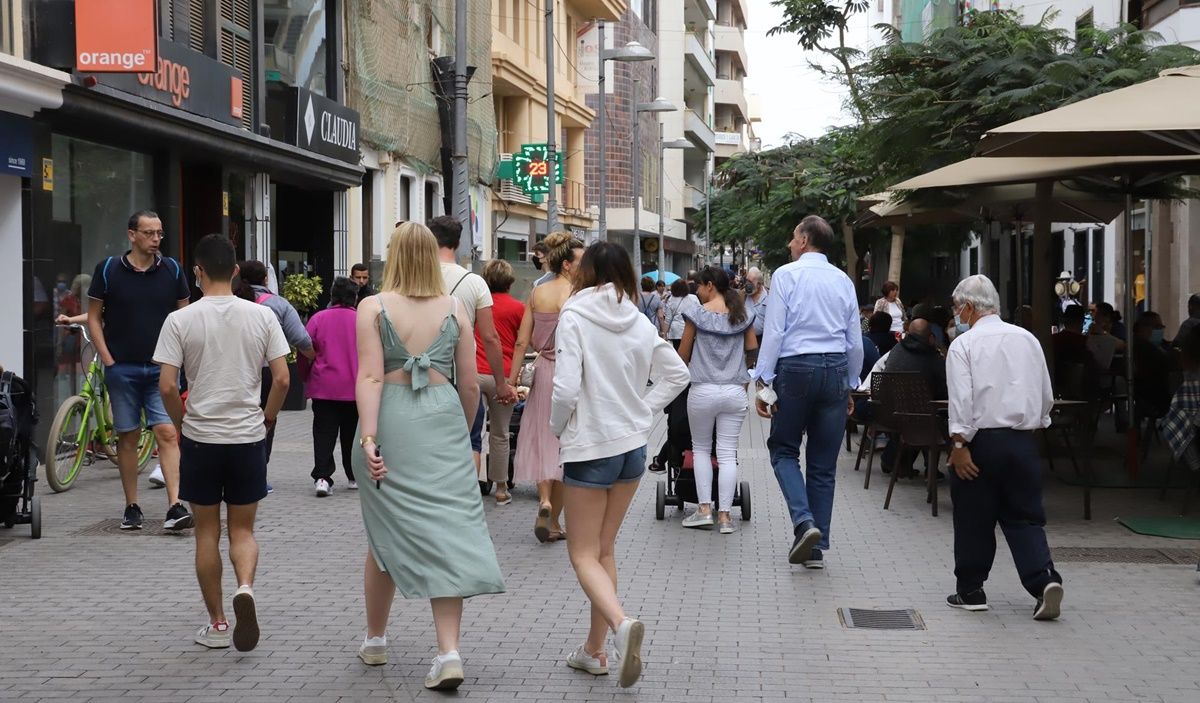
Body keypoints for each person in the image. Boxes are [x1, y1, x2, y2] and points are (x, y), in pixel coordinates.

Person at [352, 222, 505, 690]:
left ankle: (376, 639)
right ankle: (448, 650)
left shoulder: (372, 307)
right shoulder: (456, 308)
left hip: (392, 420)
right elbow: (468, 383)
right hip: (442, 420)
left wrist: (370, 439)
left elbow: (372, 377)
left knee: (383, 533)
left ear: (394, 256)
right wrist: (461, 433)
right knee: (447, 529)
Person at [551, 241, 689, 688]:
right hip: (631, 448)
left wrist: (558, 428)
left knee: (581, 553)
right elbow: (678, 374)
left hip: (590, 446)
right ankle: (594, 652)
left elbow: (566, 388)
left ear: (584, 272)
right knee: (604, 550)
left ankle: (620, 624)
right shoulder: (637, 318)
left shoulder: (573, 315)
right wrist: (642, 412)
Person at [153, 234, 291, 651]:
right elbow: (283, 378)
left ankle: (216, 624)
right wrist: (267, 418)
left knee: (207, 533)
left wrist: (182, 424)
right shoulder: (262, 316)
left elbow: (165, 387)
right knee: (244, 530)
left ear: (196, 272)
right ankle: (245, 586)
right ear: (234, 271)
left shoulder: (180, 320)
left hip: (201, 438)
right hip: (248, 436)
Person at [945, 274, 1063, 621]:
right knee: (1025, 518)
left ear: (967, 307)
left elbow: (962, 400)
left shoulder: (963, 346)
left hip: (980, 442)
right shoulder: (1027, 339)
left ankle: (971, 589)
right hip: (1022, 441)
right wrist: (1034, 425)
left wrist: (958, 442)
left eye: (957, 308)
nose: (956, 315)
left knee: (973, 517)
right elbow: (1045, 394)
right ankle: (1044, 582)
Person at [754, 215, 862, 570]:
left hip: (796, 369)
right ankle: (816, 545)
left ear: (803, 240)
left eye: (792, 236)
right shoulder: (843, 280)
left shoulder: (786, 275)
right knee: (822, 463)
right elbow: (854, 340)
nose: (789, 243)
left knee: (783, 450)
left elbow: (774, 333)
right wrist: (850, 383)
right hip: (835, 369)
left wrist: (763, 380)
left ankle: (804, 523)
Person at [87, 210, 192, 531]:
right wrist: (107, 358)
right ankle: (132, 506)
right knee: (128, 436)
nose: (156, 239)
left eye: (159, 233)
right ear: (132, 234)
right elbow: (93, 316)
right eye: (149, 233)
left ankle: (175, 505)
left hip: (162, 369)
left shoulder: (172, 269)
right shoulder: (108, 270)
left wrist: (181, 359)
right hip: (123, 368)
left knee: (166, 433)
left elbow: (184, 316)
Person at [509, 232, 586, 542]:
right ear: (566, 264)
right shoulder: (578, 294)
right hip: (571, 373)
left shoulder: (536, 293)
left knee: (542, 439)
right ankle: (554, 522)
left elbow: (521, 341)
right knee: (565, 445)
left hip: (542, 372)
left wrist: (511, 380)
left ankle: (544, 500)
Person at [429, 216, 518, 483]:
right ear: (459, 243)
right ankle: (466, 495)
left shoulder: (416, 277)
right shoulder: (474, 283)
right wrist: (501, 383)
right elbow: (490, 338)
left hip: (423, 373)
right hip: (460, 372)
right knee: (470, 439)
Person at [678, 266, 756, 534]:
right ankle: (725, 517)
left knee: (700, 449)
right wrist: (744, 381)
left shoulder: (697, 314)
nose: (697, 291)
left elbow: (683, 354)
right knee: (726, 453)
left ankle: (704, 510)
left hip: (702, 389)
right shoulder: (741, 314)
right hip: (734, 391)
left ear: (710, 285)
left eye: (699, 286)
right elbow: (752, 350)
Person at [239, 259, 314, 480]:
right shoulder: (278, 304)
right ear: (265, 279)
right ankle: (258, 472)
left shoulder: (228, 299)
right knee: (266, 418)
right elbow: (300, 338)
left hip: (235, 370)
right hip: (267, 371)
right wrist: (313, 357)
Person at [302, 277, 361, 495]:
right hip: (354, 388)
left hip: (323, 387)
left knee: (324, 433)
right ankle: (354, 475)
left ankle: (322, 477)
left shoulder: (318, 319)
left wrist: (306, 375)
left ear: (332, 295)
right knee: (352, 434)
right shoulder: (361, 320)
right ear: (354, 297)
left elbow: (305, 349)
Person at [477, 259, 524, 505]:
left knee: (471, 433)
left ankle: (469, 481)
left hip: (474, 372)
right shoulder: (518, 308)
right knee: (500, 432)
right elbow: (524, 342)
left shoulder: (478, 305)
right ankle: (501, 487)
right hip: (503, 375)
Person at [880, 318, 948, 475]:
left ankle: (894, 461)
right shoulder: (933, 358)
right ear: (930, 337)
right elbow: (944, 390)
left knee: (918, 412)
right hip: (926, 420)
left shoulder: (897, 350)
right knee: (936, 414)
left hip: (891, 414)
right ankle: (932, 469)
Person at [1132, 311, 1172, 422]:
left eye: (1161, 327)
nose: (1160, 330)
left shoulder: (1161, 345)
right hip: (1155, 396)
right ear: (1142, 328)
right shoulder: (1140, 348)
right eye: (1157, 327)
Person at [1052, 304, 1092, 389]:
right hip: (1082, 388)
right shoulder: (1086, 342)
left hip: (1056, 383)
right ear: (1082, 321)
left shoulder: (1052, 339)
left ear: (1064, 321)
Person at [664, 279, 699, 350]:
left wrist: (665, 334)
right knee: (690, 353)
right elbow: (698, 313)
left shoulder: (671, 299)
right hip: (690, 330)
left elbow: (668, 319)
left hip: (676, 332)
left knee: (678, 353)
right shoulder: (693, 298)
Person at [746, 266, 768, 345]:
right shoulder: (742, 296)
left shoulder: (770, 297)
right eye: (746, 281)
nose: (747, 285)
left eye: (750, 282)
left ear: (759, 284)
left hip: (763, 341)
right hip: (745, 341)